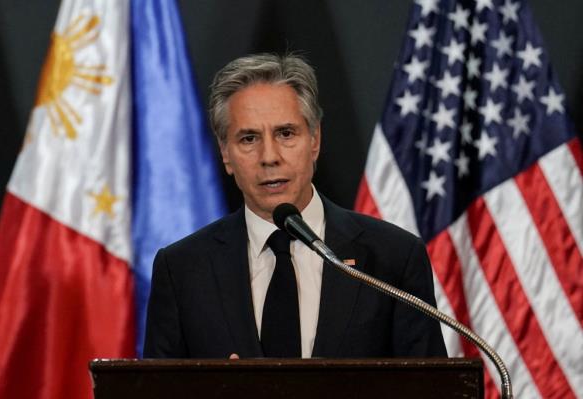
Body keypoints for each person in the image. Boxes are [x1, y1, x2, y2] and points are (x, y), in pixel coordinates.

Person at [143, 53, 447, 359]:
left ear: (314, 140)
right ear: (225, 153)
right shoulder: (182, 270)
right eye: (248, 139)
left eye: (285, 134)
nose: (269, 156)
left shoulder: (392, 259)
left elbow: (432, 389)